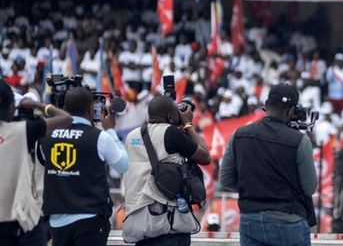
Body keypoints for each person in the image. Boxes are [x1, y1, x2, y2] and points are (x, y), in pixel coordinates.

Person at [219, 84, 316, 246]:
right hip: (288, 221)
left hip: (251, 219)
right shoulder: (299, 141)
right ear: (290, 111)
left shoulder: (239, 134)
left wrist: (253, 188)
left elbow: (226, 180)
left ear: (266, 104)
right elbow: (309, 187)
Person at [39, 87, 129, 246]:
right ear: (90, 109)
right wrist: (110, 131)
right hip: (91, 221)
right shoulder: (100, 137)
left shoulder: (46, 135)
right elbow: (123, 165)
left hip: (57, 221)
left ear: (64, 108)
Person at [121, 95, 211, 246]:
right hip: (168, 225)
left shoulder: (131, 136)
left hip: (140, 224)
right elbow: (205, 156)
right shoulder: (170, 133)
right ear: (170, 116)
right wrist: (188, 124)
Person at [0, 82, 71, 246]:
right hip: (25, 217)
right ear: (12, 109)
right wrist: (39, 106)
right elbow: (66, 118)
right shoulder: (22, 131)